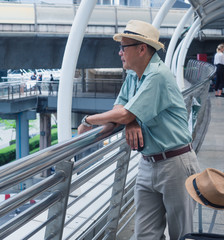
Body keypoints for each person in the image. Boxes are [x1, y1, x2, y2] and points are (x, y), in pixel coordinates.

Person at [78, 20, 200, 240]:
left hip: (175, 163)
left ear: (141, 48)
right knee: (144, 235)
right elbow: (122, 108)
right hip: (147, 163)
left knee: (182, 235)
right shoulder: (134, 74)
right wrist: (132, 121)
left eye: (123, 47)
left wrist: (88, 120)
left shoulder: (158, 76)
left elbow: (124, 113)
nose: (120, 53)